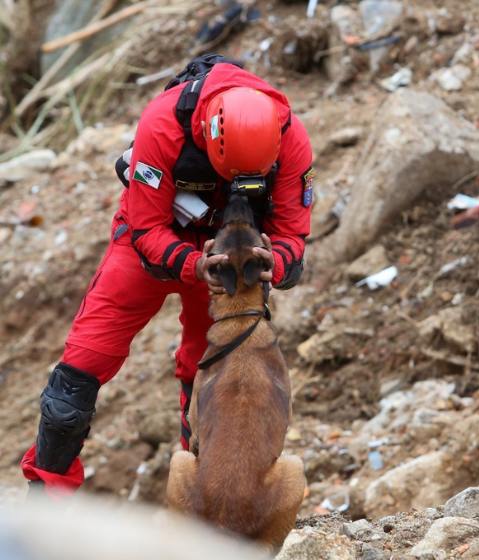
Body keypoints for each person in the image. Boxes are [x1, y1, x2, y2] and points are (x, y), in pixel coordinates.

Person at [20, 55, 314, 498]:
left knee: (207, 382)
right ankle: (44, 506)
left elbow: (293, 232)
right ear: (210, 140)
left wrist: (278, 259)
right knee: (73, 388)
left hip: (228, 254)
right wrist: (195, 264)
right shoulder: (163, 123)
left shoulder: (290, 138)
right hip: (153, 241)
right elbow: (145, 228)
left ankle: (201, 504)